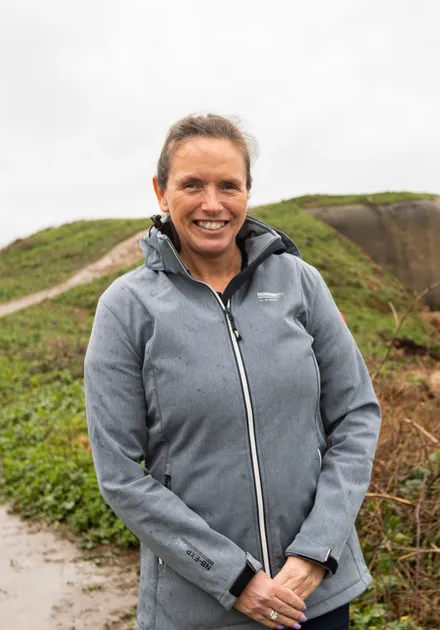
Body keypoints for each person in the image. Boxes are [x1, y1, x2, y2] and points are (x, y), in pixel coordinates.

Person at [84, 114, 381, 630]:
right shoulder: (126, 308)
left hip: (315, 597)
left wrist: (318, 550)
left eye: (229, 185)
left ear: (248, 192)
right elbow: (121, 475)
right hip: (200, 610)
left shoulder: (300, 283)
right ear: (161, 192)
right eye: (191, 185)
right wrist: (234, 578)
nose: (212, 204)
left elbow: (356, 415)